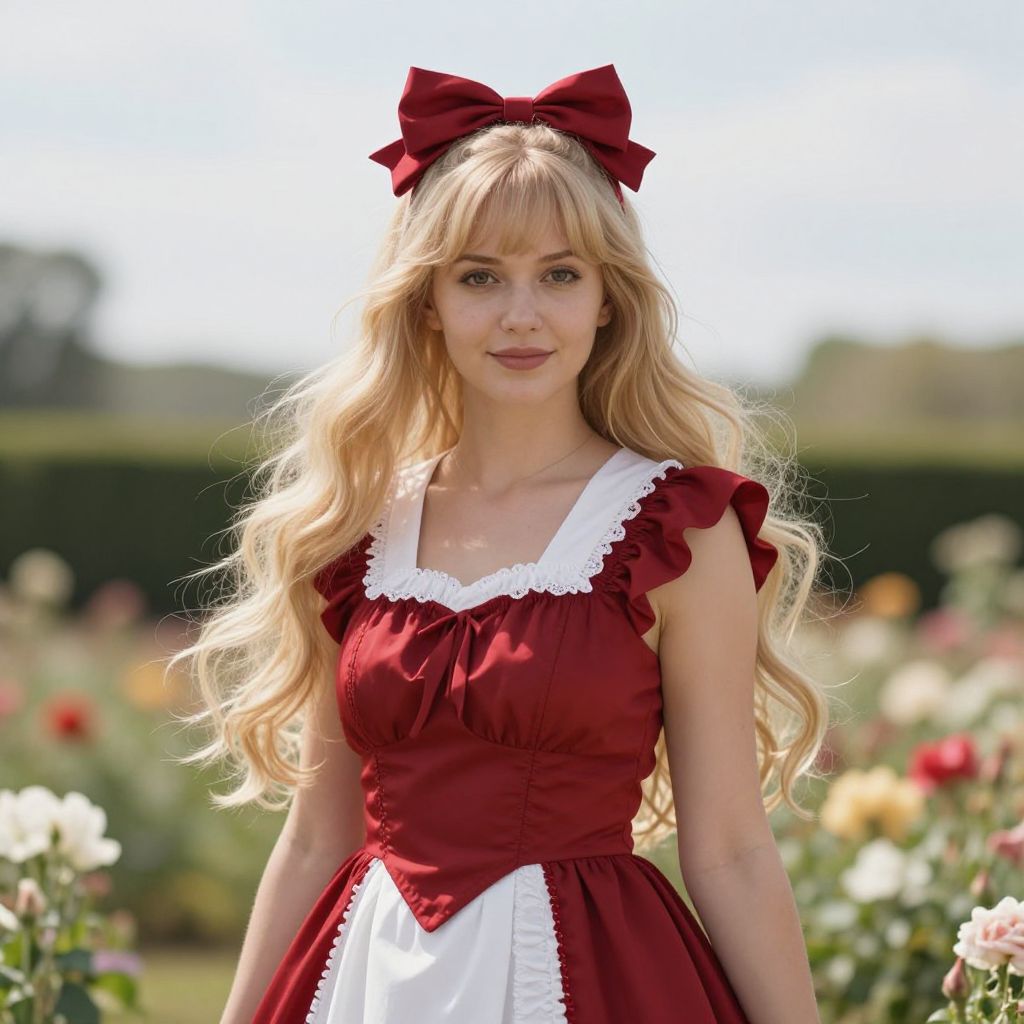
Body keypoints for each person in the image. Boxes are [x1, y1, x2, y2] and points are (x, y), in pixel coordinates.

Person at [171, 63, 829, 1023]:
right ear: (426, 300)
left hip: (595, 977)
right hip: (366, 978)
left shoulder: (678, 530)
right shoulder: (356, 526)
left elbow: (727, 847)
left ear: (609, 298)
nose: (521, 315)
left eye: (559, 274)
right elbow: (317, 838)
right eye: (480, 277)